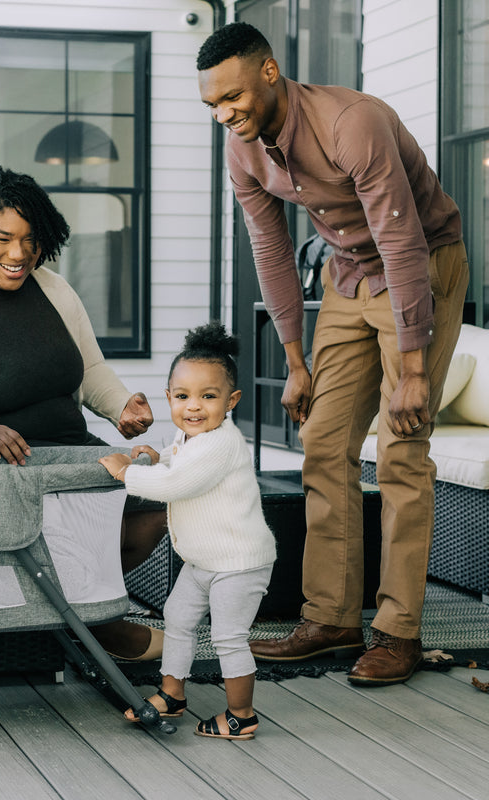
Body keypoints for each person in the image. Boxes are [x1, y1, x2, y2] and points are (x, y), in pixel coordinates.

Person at [196, 23, 469, 686]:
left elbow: (401, 243)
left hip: (422, 265)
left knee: (402, 450)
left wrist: (410, 371)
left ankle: (398, 631)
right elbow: (272, 251)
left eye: (232, 96)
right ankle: (332, 618)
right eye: (211, 104)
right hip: (348, 274)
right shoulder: (243, 150)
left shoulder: (354, 122)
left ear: (269, 73)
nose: (224, 113)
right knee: (323, 444)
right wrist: (295, 362)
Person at [0, 166, 166, 660]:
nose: (19, 254)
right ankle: (95, 625)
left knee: (158, 506)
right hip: (7, 470)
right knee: (90, 521)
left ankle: (81, 611)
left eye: (30, 239)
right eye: (2, 238)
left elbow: (89, 367)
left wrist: (120, 405)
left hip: (75, 451)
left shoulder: (55, 289)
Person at [99, 322, 276, 740]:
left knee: (228, 638)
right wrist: (157, 460)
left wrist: (127, 474)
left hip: (238, 564)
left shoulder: (220, 444)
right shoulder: (192, 437)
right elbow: (178, 469)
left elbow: (178, 485)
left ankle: (241, 715)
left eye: (208, 397)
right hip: (203, 560)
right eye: (183, 397)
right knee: (177, 619)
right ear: (169, 398)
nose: (193, 407)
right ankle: (173, 693)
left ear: (231, 401)